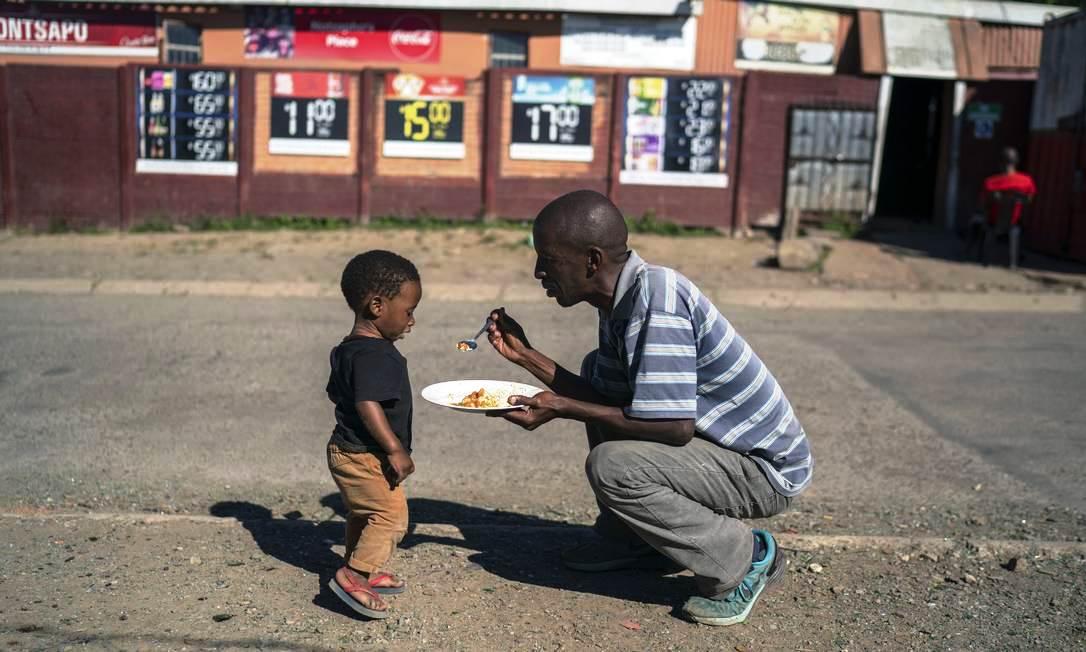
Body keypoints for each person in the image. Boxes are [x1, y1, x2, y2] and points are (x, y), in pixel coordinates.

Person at [485, 190, 812, 626]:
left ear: (592, 260)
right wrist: (527, 356)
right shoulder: (620, 300)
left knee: (613, 466)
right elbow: (611, 401)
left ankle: (746, 558)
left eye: (548, 258)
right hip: (720, 451)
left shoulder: (657, 299)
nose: (538, 271)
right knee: (595, 374)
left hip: (763, 471)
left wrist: (563, 406)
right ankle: (634, 540)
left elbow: (672, 427)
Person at [325, 250, 421, 619]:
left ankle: (359, 561)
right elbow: (367, 404)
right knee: (390, 516)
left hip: (346, 449)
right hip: (365, 453)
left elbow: (336, 393)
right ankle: (355, 574)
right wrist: (395, 449)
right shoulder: (376, 355)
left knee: (364, 513)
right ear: (378, 305)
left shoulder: (348, 349)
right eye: (409, 310)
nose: (412, 320)